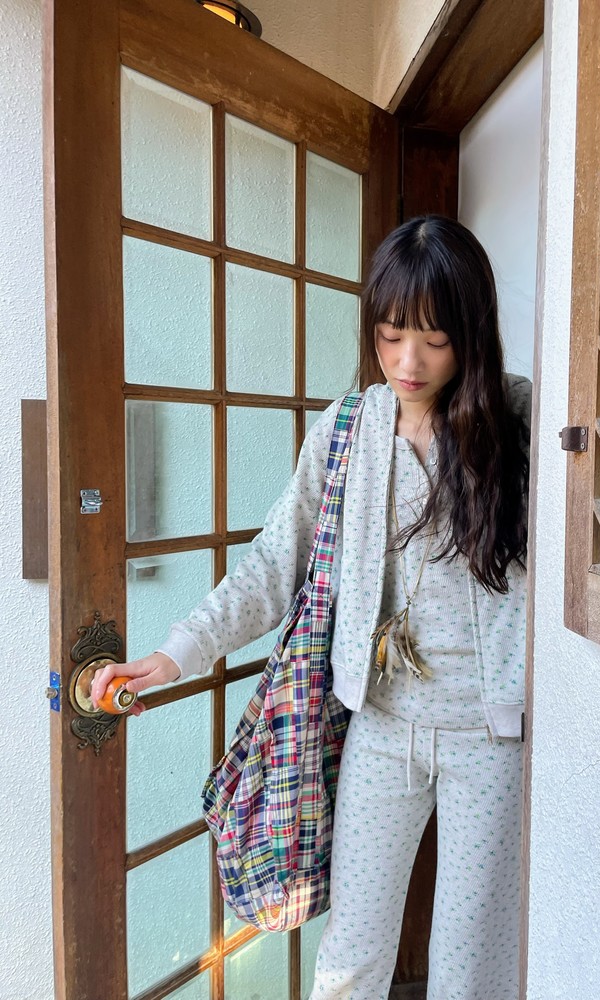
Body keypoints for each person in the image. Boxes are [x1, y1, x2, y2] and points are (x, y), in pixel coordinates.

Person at [92, 215, 531, 1000]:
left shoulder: (519, 421)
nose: (408, 361)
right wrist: (179, 651)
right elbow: (275, 561)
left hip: (490, 737)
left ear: (471, 331)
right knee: (350, 954)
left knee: (473, 964)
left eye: (434, 339)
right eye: (391, 334)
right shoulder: (348, 430)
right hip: (382, 725)